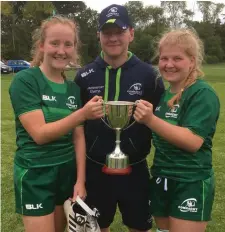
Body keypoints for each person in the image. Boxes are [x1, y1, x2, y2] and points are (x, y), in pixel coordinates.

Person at [9, 15, 103, 232]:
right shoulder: (26, 81)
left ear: (74, 48)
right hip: (35, 174)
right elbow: (39, 134)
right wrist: (82, 114)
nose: (61, 50)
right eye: (54, 43)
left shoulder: (73, 89)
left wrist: (80, 180)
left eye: (68, 44)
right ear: (42, 45)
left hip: (66, 173)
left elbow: (78, 137)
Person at [75, 4, 165, 232]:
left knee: (139, 227)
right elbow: (77, 127)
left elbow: (161, 122)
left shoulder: (149, 75)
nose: (113, 38)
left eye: (120, 32)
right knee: (94, 227)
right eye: (107, 33)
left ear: (131, 33)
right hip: (95, 169)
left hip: (135, 169)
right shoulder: (84, 76)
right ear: (98, 35)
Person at [134, 29, 220, 232]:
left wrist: (150, 120)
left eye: (177, 58)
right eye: (164, 58)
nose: (168, 64)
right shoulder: (164, 95)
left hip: (190, 182)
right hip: (162, 178)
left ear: (192, 61)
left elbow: (193, 142)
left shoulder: (202, 93)